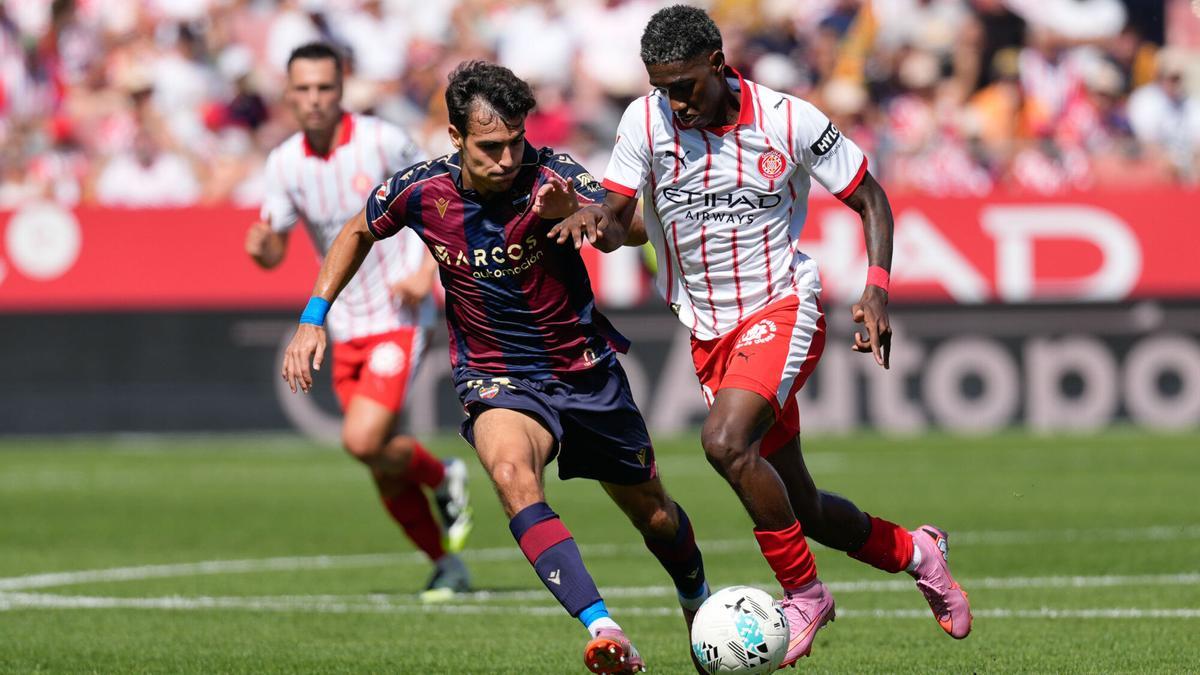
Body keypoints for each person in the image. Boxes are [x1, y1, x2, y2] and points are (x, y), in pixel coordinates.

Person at [553, 5, 973, 666]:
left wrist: (876, 287)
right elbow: (614, 223)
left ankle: (805, 595)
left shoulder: (789, 119)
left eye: (685, 85)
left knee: (724, 441)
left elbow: (870, 198)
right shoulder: (644, 120)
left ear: (718, 64)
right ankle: (918, 552)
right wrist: (585, 219)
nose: (675, 102)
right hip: (709, 330)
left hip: (783, 304)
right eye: (662, 87)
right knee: (803, 508)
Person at [281, 60, 712, 675]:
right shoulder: (421, 189)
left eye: (515, 141)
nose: (508, 158)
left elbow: (621, 226)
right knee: (511, 475)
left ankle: (697, 600)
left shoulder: (554, 175)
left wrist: (586, 214)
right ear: (455, 137)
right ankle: (606, 631)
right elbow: (357, 230)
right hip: (496, 377)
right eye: (490, 147)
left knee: (655, 514)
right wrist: (313, 316)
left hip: (583, 370)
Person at [246, 42, 472, 601]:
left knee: (362, 438)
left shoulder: (381, 140)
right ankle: (447, 564)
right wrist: (262, 248)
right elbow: (273, 251)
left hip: (399, 312)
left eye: (324, 87)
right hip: (343, 323)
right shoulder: (284, 163)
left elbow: (442, 195)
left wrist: (425, 268)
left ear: (341, 89)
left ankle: (444, 474)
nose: (315, 99)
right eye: (303, 89)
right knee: (380, 463)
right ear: (288, 94)